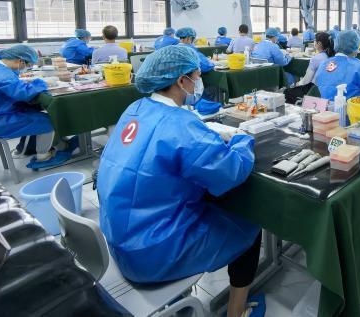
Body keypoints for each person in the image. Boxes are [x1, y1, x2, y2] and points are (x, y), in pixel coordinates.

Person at [97, 46, 263, 316]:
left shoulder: (136, 108)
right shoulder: (180, 124)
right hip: (153, 252)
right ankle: (237, 310)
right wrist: (243, 139)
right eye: (196, 76)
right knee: (250, 224)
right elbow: (231, 171)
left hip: (119, 239)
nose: (199, 82)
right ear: (181, 81)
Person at [0, 44, 55, 162]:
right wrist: (41, 83)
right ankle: (43, 156)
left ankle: (26, 148)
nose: (27, 68)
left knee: (32, 110)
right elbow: (24, 93)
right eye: (28, 65)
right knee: (48, 121)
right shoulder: (4, 76)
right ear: (20, 61)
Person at [316, 30, 360, 101]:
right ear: (355, 46)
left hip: (325, 107)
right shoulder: (359, 67)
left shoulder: (323, 64)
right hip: (351, 107)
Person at [284, 32, 334, 104]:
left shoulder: (316, 58)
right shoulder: (333, 56)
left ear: (319, 43)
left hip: (315, 90)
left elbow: (307, 80)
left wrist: (296, 84)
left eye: (314, 40)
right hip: (328, 89)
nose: (314, 42)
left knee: (287, 92)